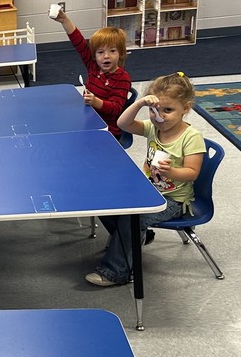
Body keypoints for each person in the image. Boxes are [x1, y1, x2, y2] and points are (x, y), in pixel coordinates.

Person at [86, 72, 205, 286]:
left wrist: (172, 173)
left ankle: (116, 272)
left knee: (133, 217)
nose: (159, 116)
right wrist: (140, 103)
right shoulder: (154, 128)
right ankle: (134, 238)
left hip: (173, 201)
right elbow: (123, 123)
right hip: (147, 190)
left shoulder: (191, 137)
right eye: (154, 110)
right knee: (104, 200)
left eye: (168, 110)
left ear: (185, 109)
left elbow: (192, 172)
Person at [49, 7, 131, 139]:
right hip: (89, 119)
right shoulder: (93, 66)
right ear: (94, 55)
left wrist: (96, 102)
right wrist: (65, 20)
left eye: (112, 51)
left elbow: (116, 109)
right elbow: (79, 42)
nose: (106, 56)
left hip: (107, 131)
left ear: (121, 53)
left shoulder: (122, 78)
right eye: (100, 52)